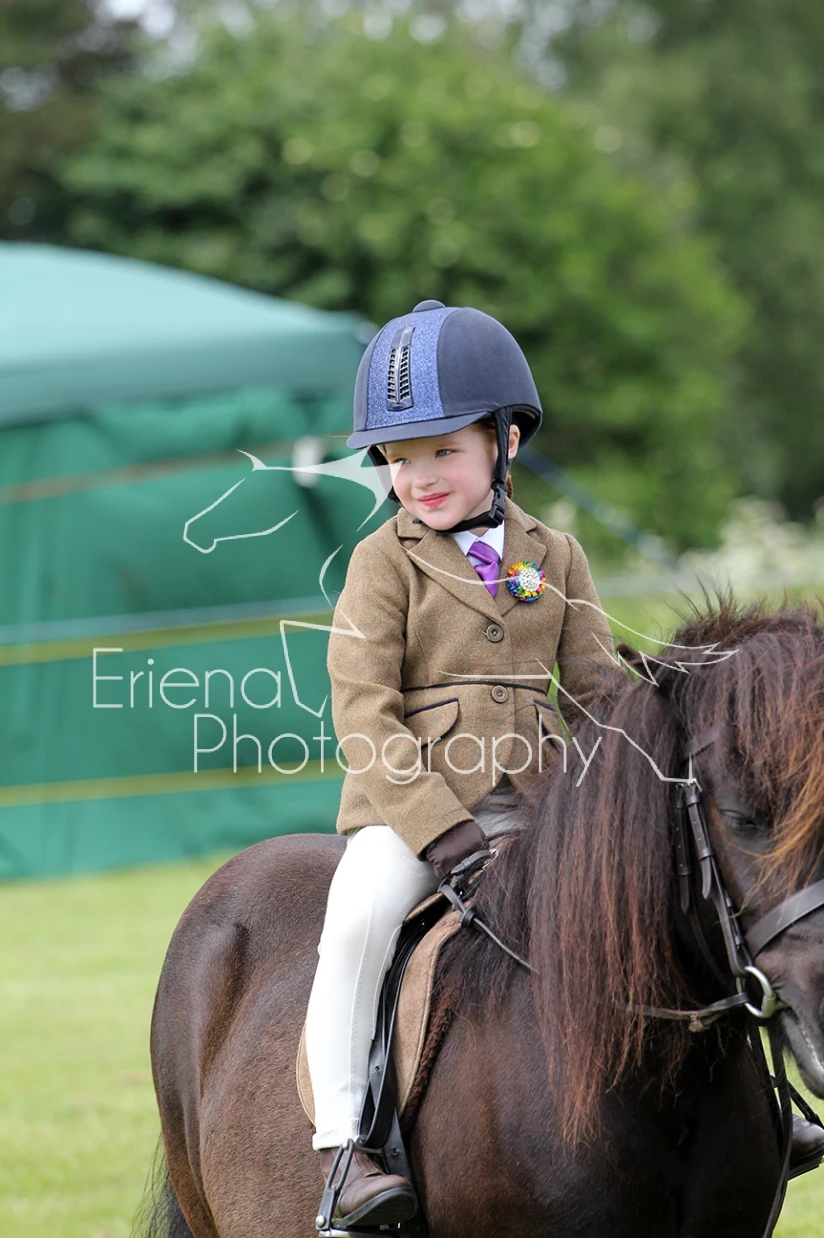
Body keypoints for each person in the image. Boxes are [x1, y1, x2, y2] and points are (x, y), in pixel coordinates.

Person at [304, 299, 618, 1231]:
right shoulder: (381, 563)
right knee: (356, 924)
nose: (420, 477)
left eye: (443, 449)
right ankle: (342, 1148)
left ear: (504, 441)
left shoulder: (555, 554)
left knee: (658, 899)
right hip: (413, 816)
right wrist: (437, 828)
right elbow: (363, 711)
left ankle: (742, 1101)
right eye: (400, 459)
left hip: (541, 803)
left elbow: (596, 692)